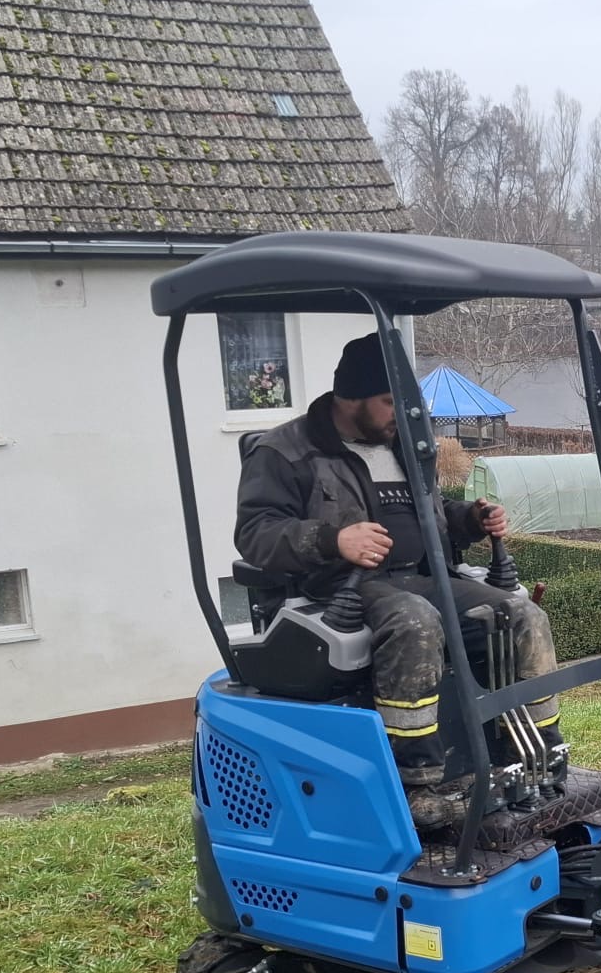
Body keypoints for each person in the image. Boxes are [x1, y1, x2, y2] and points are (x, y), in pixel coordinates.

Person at [234, 334, 560, 827]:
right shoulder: (284, 452)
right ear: (350, 397)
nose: (400, 414)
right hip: (341, 588)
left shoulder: (405, 444)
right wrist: (333, 540)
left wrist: (470, 519)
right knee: (415, 622)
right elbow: (255, 534)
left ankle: (539, 754)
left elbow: (430, 518)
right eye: (390, 402)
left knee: (520, 613)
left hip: (426, 578)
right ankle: (417, 786)